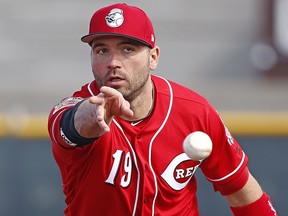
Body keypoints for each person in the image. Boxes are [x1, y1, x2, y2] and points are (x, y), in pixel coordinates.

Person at [48, 3, 277, 216]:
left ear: (153, 57)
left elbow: (242, 191)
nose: (113, 62)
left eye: (127, 49)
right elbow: (73, 124)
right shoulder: (74, 108)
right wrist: (93, 114)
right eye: (101, 50)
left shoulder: (194, 111)